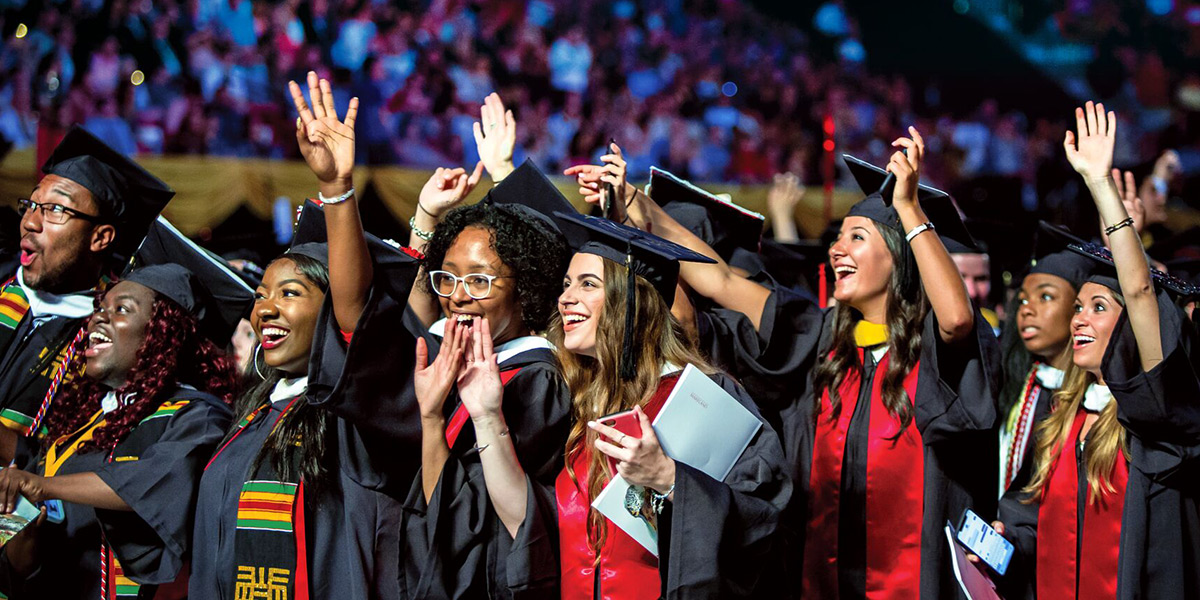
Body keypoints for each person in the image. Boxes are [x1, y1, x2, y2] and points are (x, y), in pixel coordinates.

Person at [582, 132, 1000, 598]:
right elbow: (719, 279)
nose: (836, 249)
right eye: (837, 237)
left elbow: (959, 320)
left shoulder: (937, 355)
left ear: (899, 254)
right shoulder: (821, 339)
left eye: (856, 237)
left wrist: (909, 208)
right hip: (816, 578)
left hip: (917, 582)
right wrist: (639, 207)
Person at [458, 208, 790, 598]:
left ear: (633, 301)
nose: (565, 298)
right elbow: (529, 524)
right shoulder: (576, 405)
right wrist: (485, 416)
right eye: (567, 284)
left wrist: (669, 480)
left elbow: (763, 522)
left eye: (587, 284)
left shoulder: (705, 397)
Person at [189, 72, 421, 600]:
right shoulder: (253, 414)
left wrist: (337, 190)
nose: (265, 306)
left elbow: (356, 317)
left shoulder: (354, 419)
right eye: (263, 293)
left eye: (290, 293)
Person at [994, 102, 1200, 600]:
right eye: (1078, 306)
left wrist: (1101, 187)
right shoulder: (1064, 414)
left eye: (1099, 307)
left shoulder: (1158, 423)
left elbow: (1142, 293)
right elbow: (1030, 519)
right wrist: (1005, 540)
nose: (1079, 318)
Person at [0, 225, 249, 598]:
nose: (99, 317)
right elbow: (29, 549)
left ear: (162, 333)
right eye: (100, 307)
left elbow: (154, 482)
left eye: (121, 310)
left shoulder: (196, 416)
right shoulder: (84, 421)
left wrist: (42, 485)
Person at [402, 159, 574, 598]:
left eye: (479, 281)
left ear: (527, 290)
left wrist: (432, 420)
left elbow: (461, 518)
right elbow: (411, 321)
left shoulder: (537, 384)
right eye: (450, 278)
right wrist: (425, 216)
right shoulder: (450, 362)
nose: (458, 296)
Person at [0, 127, 173, 462]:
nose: (31, 223)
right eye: (32, 205)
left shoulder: (111, 340)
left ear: (100, 238)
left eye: (55, 210)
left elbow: (76, 461)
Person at [996, 223, 1096, 496]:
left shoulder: (1097, 400)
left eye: (1046, 297)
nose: (1028, 310)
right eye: (1024, 300)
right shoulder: (1013, 383)